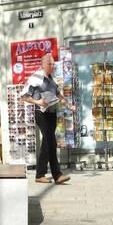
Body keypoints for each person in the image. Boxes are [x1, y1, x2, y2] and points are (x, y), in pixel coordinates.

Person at [21, 53, 76, 184]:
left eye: (53, 64)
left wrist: (69, 106)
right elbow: (24, 96)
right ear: (43, 64)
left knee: (49, 142)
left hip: (52, 113)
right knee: (50, 141)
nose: (52, 66)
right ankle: (55, 175)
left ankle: (41, 174)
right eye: (50, 64)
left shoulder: (52, 79)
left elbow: (59, 95)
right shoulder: (36, 78)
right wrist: (38, 102)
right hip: (41, 113)